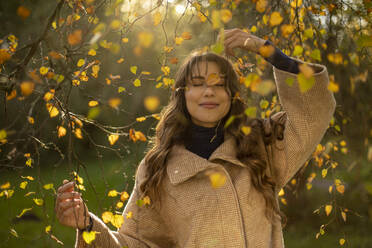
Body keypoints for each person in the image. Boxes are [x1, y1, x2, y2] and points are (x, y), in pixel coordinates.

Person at [55, 28, 336, 248]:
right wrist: (88, 226)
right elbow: (134, 243)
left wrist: (267, 51)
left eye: (219, 84)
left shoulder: (262, 144)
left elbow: (314, 110)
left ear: (231, 95)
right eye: (198, 84)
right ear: (182, 94)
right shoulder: (157, 170)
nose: (209, 92)